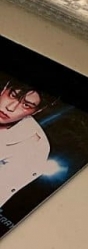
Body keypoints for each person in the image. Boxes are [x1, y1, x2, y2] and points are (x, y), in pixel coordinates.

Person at [0, 81, 52, 211]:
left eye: (26, 105)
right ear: (5, 88)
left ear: (37, 110)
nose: (11, 108)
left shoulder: (34, 146)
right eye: (13, 96)